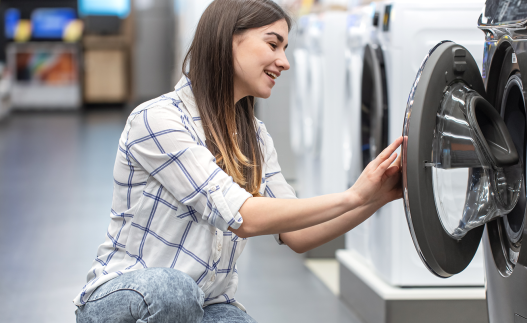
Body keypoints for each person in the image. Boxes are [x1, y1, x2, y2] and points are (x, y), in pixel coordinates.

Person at [74, 0, 403, 322]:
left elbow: (299, 235)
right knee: (172, 291)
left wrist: (374, 198)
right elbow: (242, 217)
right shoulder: (159, 119)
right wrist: (352, 196)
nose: (284, 62)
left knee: (202, 305)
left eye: (286, 48)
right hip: (125, 296)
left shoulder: (255, 137)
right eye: (273, 44)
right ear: (228, 38)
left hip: (206, 302)